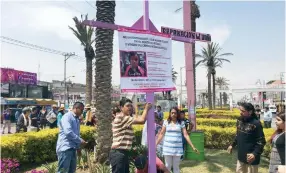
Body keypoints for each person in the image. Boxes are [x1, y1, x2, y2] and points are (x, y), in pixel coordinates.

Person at [109, 98, 152, 173]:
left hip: (123, 153)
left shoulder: (126, 118)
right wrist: (146, 109)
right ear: (121, 108)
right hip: (118, 153)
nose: (130, 108)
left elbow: (137, 118)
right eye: (127, 106)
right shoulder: (121, 117)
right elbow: (141, 120)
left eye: (131, 106)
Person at [156, 107, 199, 173]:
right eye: (172, 113)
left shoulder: (181, 123)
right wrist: (155, 144)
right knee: (167, 167)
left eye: (175, 113)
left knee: (176, 168)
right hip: (167, 149)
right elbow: (161, 134)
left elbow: (186, 135)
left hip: (177, 149)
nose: (173, 114)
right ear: (170, 114)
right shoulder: (166, 122)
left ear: (177, 114)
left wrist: (192, 146)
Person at [227, 102, 266, 173]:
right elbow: (238, 135)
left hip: (251, 158)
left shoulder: (256, 123)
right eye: (240, 110)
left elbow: (261, 141)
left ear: (250, 112)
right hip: (241, 156)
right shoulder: (239, 120)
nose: (240, 112)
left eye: (243, 111)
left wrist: (254, 153)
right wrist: (232, 145)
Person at [56, 102, 87, 173]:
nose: (82, 112)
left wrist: (78, 147)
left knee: (71, 171)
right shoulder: (67, 117)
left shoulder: (76, 119)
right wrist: (80, 140)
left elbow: (76, 134)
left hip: (73, 148)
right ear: (76, 108)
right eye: (81, 110)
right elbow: (68, 132)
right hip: (65, 148)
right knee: (63, 171)